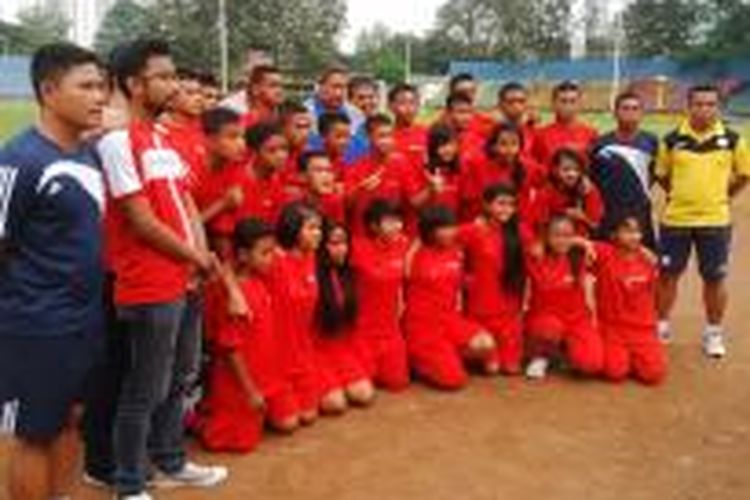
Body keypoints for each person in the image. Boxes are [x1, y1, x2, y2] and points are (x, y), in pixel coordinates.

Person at [97, 38, 226, 499]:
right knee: (144, 388)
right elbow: (140, 219)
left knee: (181, 375)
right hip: (150, 283)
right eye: (164, 77)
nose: (175, 84)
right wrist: (195, 256)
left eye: (175, 75)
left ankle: (170, 460)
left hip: (185, 277)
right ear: (134, 84)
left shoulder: (161, 139)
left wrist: (202, 253)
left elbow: (187, 202)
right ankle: (130, 483)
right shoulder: (117, 141)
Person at [0, 42, 105, 500]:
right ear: (48, 90)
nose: (99, 96)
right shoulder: (18, 160)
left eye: (101, 85)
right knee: (31, 435)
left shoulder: (88, 155)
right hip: (33, 327)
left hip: (84, 321)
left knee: (71, 419)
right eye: (86, 86)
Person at [655, 84, 750, 356]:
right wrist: (680, 195)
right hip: (676, 220)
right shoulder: (672, 140)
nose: (704, 109)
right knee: (667, 276)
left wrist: (723, 196)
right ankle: (661, 326)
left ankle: (713, 333)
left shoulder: (733, 140)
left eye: (710, 104)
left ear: (718, 107)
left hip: (715, 220)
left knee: (714, 278)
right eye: (698, 104)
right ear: (688, 106)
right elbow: (662, 175)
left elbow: (744, 175)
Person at [198, 218, 299, 452]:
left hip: (268, 375)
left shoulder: (261, 278)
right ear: (243, 255)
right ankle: (197, 419)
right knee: (242, 444)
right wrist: (251, 391)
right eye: (265, 253)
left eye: (273, 251)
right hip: (240, 383)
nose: (272, 259)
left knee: (289, 422)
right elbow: (230, 348)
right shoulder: (231, 296)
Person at [404, 206, 496, 390]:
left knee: (487, 345)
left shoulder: (455, 248)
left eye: (452, 227)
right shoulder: (415, 255)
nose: (450, 232)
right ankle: (417, 360)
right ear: (429, 231)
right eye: (442, 228)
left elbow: (478, 227)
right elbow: (409, 250)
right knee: (454, 380)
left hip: (449, 319)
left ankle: (444, 355)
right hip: (422, 326)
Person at [524, 215, 603, 380]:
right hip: (545, 319)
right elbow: (522, 237)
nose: (562, 240)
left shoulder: (580, 255)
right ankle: (541, 356)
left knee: (591, 365)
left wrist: (583, 242)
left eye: (567, 235)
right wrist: (539, 243)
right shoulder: (536, 254)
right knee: (549, 329)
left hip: (576, 320)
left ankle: (566, 350)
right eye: (557, 235)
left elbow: (616, 249)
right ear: (547, 236)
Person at [267, 202, 325, 426]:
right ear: (293, 229)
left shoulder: (311, 258)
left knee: (309, 416)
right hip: (276, 358)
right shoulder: (274, 260)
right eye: (311, 228)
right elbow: (233, 270)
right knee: (288, 424)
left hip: (303, 354)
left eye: (319, 228)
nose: (317, 233)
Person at [460, 184, 527, 375]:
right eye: (501, 203)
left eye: (511, 204)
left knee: (511, 368)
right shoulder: (473, 230)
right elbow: (444, 244)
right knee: (491, 368)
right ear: (487, 205)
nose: (506, 209)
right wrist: (462, 279)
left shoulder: (520, 231)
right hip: (479, 310)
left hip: (509, 311)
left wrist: (580, 241)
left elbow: (547, 245)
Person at [592, 214, 666, 385]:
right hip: (613, 328)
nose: (634, 236)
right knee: (614, 372)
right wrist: (582, 244)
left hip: (642, 329)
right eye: (627, 231)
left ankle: (634, 357)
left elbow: (656, 294)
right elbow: (573, 241)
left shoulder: (649, 260)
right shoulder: (605, 253)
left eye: (637, 231)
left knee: (654, 375)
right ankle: (624, 356)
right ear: (614, 235)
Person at [314, 220, 376, 413]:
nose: (341, 249)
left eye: (344, 243)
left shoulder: (349, 273)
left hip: (341, 346)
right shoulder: (311, 274)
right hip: (317, 349)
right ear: (321, 246)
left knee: (365, 395)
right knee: (336, 404)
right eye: (334, 243)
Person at [350, 199, 411, 391]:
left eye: (398, 221)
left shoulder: (403, 244)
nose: (397, 226)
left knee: (398, 383)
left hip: (391, 332)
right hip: (363, 331)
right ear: (373, 226)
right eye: (390, 221)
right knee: (364, 388)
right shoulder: (356, 248)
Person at [590, 92, 659, 249]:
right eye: (625, 108)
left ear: (642, 113)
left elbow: (655, 173)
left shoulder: (651, 141)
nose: (630, 113)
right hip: (608, 212)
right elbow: (593, 176)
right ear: (615, 112)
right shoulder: (601, 144)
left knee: (644, 257)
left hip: (639, 210)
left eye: (635, 109)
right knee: (606, 256)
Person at [461, 122, 546, 222]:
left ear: (521, 146)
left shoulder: (529, 167)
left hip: (518, 224)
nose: (509, 149)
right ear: (493, 146)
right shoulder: (477, 167)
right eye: (503, 144)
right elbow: (470, 202)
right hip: (487, 223)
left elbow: (546, 185)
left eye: (514, 143)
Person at [344, 114, 410, 237]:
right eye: (381, 136)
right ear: (368, 136)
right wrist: (360, 190)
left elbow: (410, 202)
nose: (387, 140)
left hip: (392, 238)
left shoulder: (401, 163)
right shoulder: (355, 167)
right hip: (362, 237)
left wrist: (431, 188)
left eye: (390, 135)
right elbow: (346, 205)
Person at [193, 107, 247, 259]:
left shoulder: (234, 166)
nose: (241, 144)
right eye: (232, 137)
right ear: (208, 140)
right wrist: (222, 204)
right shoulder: (190, 171)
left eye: (242, 137)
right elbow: (183, 225)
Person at [530, 148, 604, 238]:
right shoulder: (545, 192)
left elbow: (595, 225)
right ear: (555, 170)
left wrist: (582, 217)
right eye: (566, 169)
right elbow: (540, 225)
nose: (572, 174)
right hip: (553, 241)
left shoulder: (589, 190)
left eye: (577, 170)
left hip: (582, 240)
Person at [533, 80, 598, 169]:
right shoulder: (541, 135)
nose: (568, 106)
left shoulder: (591, 134)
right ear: (554, 103)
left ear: (580, 104)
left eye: (572, 101)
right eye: (563, 101)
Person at [233, 122, 289, 225]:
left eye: (284, 149)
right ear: (254, 152)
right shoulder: (238, 181)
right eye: (272, 150)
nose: (281, 156)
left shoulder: (276, 179)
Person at [407, 124, 462, 216]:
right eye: (442, 145)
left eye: (452, 144)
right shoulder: (422, 168)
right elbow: (414, 203)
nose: (448, 149)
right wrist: (431, 189)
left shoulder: (459, 168)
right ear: (432, 147)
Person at [305, 65, 362, 134]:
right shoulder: (304, 114)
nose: (339, 93)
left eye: (344, 87)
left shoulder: (355, 115)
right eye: (335, 87)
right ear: (320, 87)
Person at [388, 83, 428, 173]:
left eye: (412, 102)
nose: (408, 108)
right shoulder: (385, 135)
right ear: (391, 106)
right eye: (402, 103)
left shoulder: (427, 133)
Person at [298, 150, 346, 224]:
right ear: (303, 176)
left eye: (329, 170)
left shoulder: (334, 202)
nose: (326, 176)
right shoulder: (292, 204)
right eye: (319, 170)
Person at [496, 81, 538, 158]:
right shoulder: (491, 134)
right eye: (510, 102)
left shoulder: (535, 134)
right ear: (500, 105)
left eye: (521, 101)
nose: (516, 106)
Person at [447, 72, 496, 138]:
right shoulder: (437, 125)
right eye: (463, 92)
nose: (469, 96)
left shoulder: (486, 122)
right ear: (452, 92)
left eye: (472, 91)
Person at [442, 92, 484, 159]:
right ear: (448, 112)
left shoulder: (480, 140)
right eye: (461, 112)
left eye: (470, 112)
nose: (467, 117)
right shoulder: (434, 137)